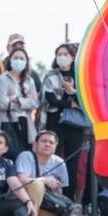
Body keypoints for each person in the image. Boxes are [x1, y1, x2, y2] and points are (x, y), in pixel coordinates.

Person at [42, 43, 87, 201]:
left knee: (72, 164)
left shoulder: (81, 75)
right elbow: (51, 99)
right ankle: (49, 197)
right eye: (59, 54)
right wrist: (70, 103)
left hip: (75, 125)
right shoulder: (51, 75)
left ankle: (69, 199)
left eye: (65, 54)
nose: (62, 57)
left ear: (73, 56)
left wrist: (71, 91)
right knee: (51, 158)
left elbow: (84, 100)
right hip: (55, 122)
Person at [15, 130, 78, 216]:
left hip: (44, 207)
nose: (47, 144)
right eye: (44, 141)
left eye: (51, 142)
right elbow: (21, 179)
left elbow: (59, 192)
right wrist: (44, 180)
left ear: (55, 147)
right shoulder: (26, 156)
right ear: (35, 144)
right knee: (37, 184)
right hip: (24, 204)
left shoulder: (59, 162)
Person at [0, 48, 39, 160]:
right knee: (8, 157)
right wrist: (25, 102)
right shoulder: (3, 78)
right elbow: (1, 104)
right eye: (15, 58)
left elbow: (35, 103)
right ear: (10, 60)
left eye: (21, 58)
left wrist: (17, 100)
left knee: (24, 158)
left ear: (26, 62)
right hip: (7, 123)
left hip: (25, 124)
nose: (18, 60)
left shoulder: (30, 80)